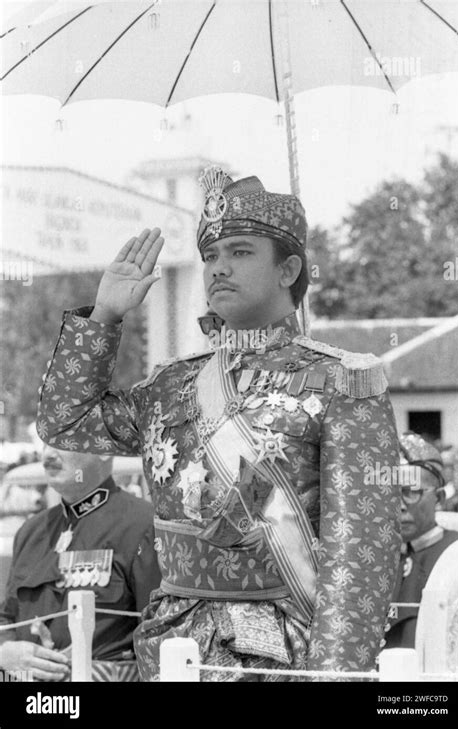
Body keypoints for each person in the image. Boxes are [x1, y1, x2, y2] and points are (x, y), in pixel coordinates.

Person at [36, 167, 400, 681]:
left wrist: (334, 677)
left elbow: (361, 558)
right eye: (211, 255)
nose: (218, 269)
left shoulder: (340, 381)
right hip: (169, 644)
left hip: (282, 653)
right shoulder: (171, 384)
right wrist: (104, 317)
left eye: (241, 252)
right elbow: (64, 424)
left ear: (289, 268)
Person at [0, 446, 161, 681]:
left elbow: (160, 634)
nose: (48, 455)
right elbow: (7, 617)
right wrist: (5, 652)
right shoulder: (31, 532)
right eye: (45, 444)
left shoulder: (143, 525)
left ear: (103, 450)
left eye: (62, 443)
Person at [384, 433, 458, 650]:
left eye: (411, 492)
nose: (399, 505)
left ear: (439, 499)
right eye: (390, 493)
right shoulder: (374, 556)